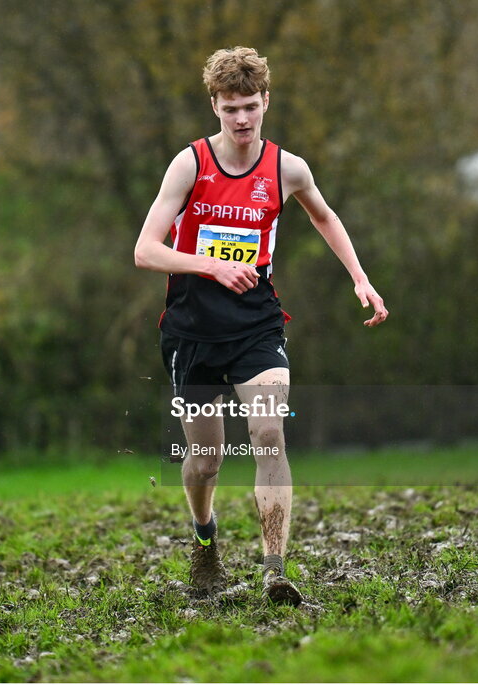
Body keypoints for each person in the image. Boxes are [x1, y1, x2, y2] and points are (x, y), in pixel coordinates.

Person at [134, 46, 388, 605]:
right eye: (231, 109)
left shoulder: (286, 168)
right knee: (204, 462)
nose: (243, 119)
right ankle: (205, 535)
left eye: (251, 106)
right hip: (192, 330)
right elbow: (146, 250)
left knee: (269, 432)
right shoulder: (191, 164)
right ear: (215, 107)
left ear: (266, 101)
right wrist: (211, 265)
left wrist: (360, 278)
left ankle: (275, 568)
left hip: (257, 326)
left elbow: (325, 215)